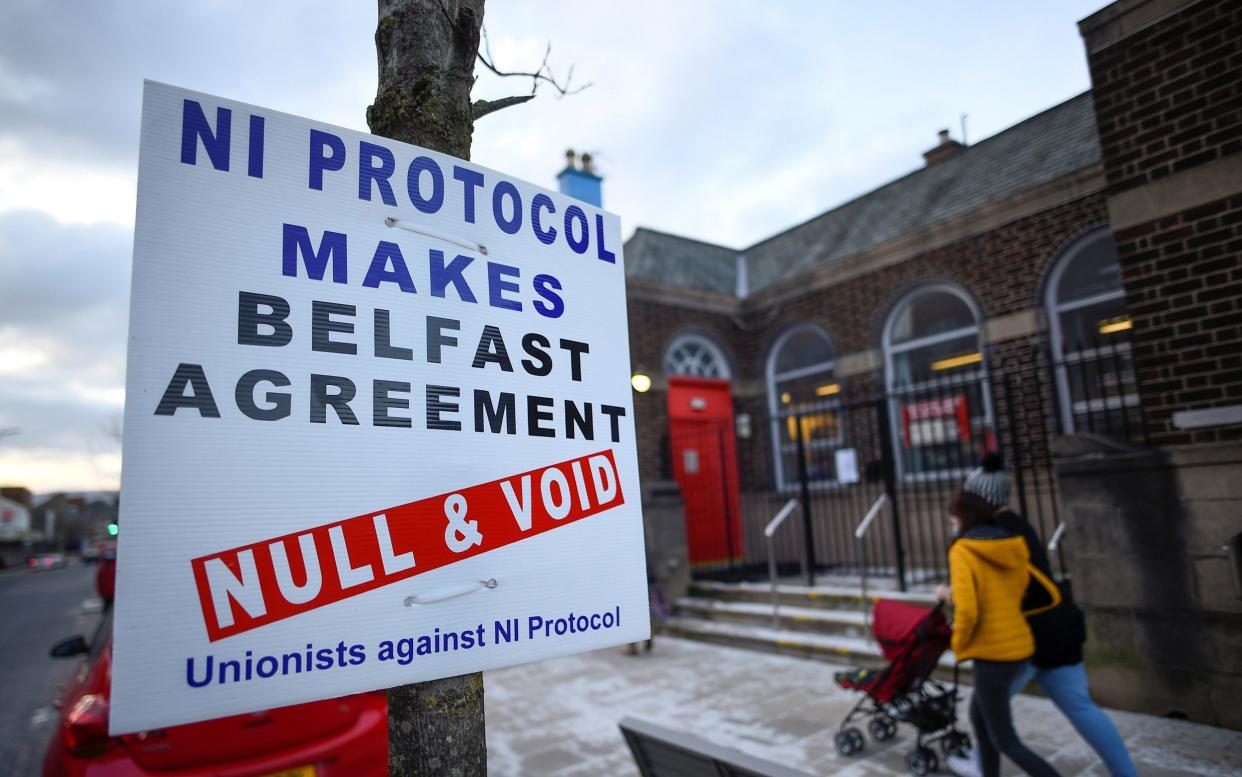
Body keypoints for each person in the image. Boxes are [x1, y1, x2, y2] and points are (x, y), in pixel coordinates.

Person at [947, 454, 1138, 777]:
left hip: (1030, 635)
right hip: (1062, 625)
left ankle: (983, 767)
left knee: (988, 714)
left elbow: (992, 595)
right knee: (1079, 706)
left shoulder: (988, 537)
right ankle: (1126, 774)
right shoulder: (1019, 526)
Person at [941, 488, 1063, 777]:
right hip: (1018, 644)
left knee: (1004, 738)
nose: (952, 524)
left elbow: (968, 610)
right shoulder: (1010, 544)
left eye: (953, 519)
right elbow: (1022, 588)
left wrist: (959, 642)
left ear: (961, 518)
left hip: (992, 652)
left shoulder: (963, 551)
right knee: (979, 718)